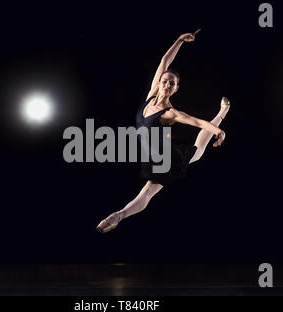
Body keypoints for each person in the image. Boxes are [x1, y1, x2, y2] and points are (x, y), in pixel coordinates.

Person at [96, 31, 230, 233]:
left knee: (195, 151)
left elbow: (197, 121)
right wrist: (179, 41)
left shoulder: (170, 113)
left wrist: (219, 131)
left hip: (167, 158)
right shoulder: (150, 97)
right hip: (152, 156)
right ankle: (119, 215)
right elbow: (165, 60)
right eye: (165, 80)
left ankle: (119, 215)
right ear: (159, 83)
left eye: (172, 84)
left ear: (175, 89)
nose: (167, 84)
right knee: (194, 153)